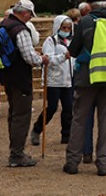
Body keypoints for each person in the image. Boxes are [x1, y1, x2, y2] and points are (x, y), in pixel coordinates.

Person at [63, 0, 106, 176]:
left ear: (91, 6)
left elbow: (74, 50)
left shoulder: (86, 22)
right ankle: (104, 162)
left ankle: (73, 161)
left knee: (79, 119)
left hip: (87, 75)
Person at [0, 0, 49, 167]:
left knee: (14, 115)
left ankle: (16, 150)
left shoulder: (4, 24)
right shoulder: (21, 29)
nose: (30, 19)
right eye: (30, 15)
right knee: (21, 116)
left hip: (7, 75)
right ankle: (17, 154)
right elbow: (29, 58)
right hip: (20, 77)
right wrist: (42, 59)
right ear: (25, 13)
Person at [30, 15, 74, 146]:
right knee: (52, 107)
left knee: (68, 107)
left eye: (68, 28)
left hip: (67, 79)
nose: (66, 30)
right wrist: (63, 57)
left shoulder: (72, 40)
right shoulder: (51, 41)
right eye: (64, 28)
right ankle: (37, 129)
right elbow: (48, 59)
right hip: (53, 80)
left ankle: (66, 134)